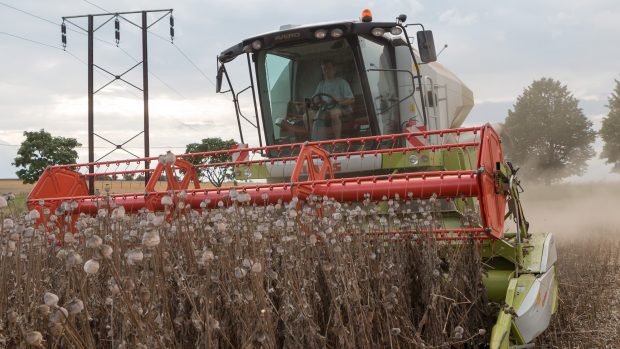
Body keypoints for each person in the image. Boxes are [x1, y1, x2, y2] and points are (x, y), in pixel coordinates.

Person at [310, 60, 354, 140]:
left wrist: (339, 101)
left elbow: (351, 99)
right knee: (306, 116)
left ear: (334, 70)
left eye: (329, 68)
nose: (326, 71)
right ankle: (312, 141)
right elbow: (315, 98)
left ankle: (337, 141)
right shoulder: (321, 84)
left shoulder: (342, 82)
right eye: (324, 69)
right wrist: (312, 103)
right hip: (325, 109)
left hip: (342, 108)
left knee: (334, 113)